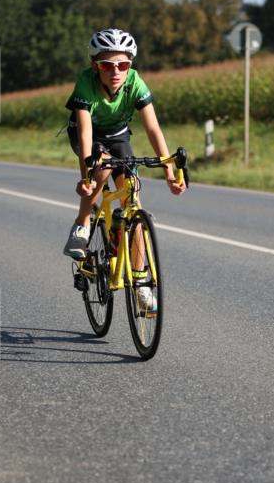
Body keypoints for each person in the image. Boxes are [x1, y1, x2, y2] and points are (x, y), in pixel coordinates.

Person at [63, 28, 185, 310]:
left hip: (118, 135)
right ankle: (82, 224)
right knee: (102, 169)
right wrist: (86, 177)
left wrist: (168, 169)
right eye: (107, 65)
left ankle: (141, 282)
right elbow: (84, 132)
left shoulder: (134, 82)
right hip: (88, 134)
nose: (115, 71)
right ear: (96, 66)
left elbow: (152, 127)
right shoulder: (85, 82)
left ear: (130, 65)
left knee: (133, 195)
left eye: (123, 64)